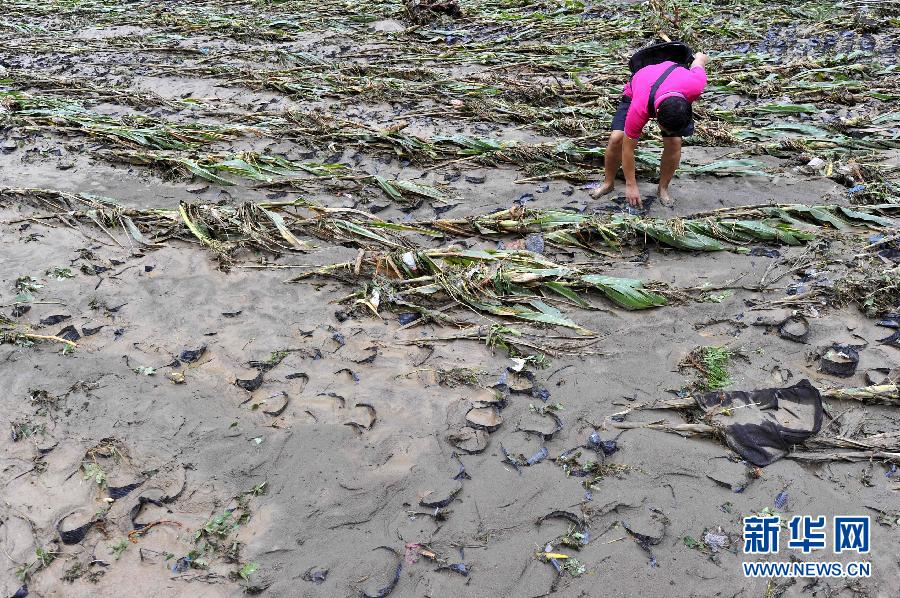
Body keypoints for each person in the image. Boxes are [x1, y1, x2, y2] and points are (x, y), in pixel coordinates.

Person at [591, 51, 709, 207]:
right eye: (665, 129)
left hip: (671, 88)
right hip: (638, 89)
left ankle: (663, 189)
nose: (667, 133)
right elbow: (628, 149)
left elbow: (699, 60)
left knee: (674, 142)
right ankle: (608, 182)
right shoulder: (639, 107)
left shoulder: (696, 84)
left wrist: (700, 57)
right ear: (657, 114)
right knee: (617, 139)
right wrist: (631, 185)